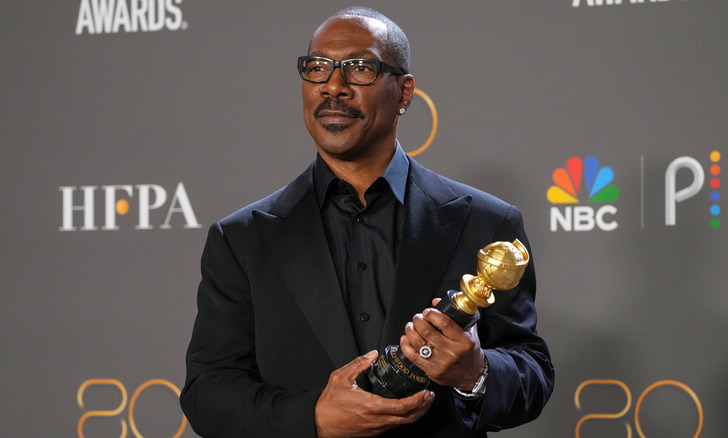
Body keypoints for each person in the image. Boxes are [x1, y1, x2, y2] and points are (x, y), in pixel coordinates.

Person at [180, 7, 553, 438]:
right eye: (317, 68)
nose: (332, 86)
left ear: (404, 93)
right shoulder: (242, 239)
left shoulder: (486, 222)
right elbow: (208, 391)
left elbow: (533, 371)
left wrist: (476, 372)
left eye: (359, 68)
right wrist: (315, 417)